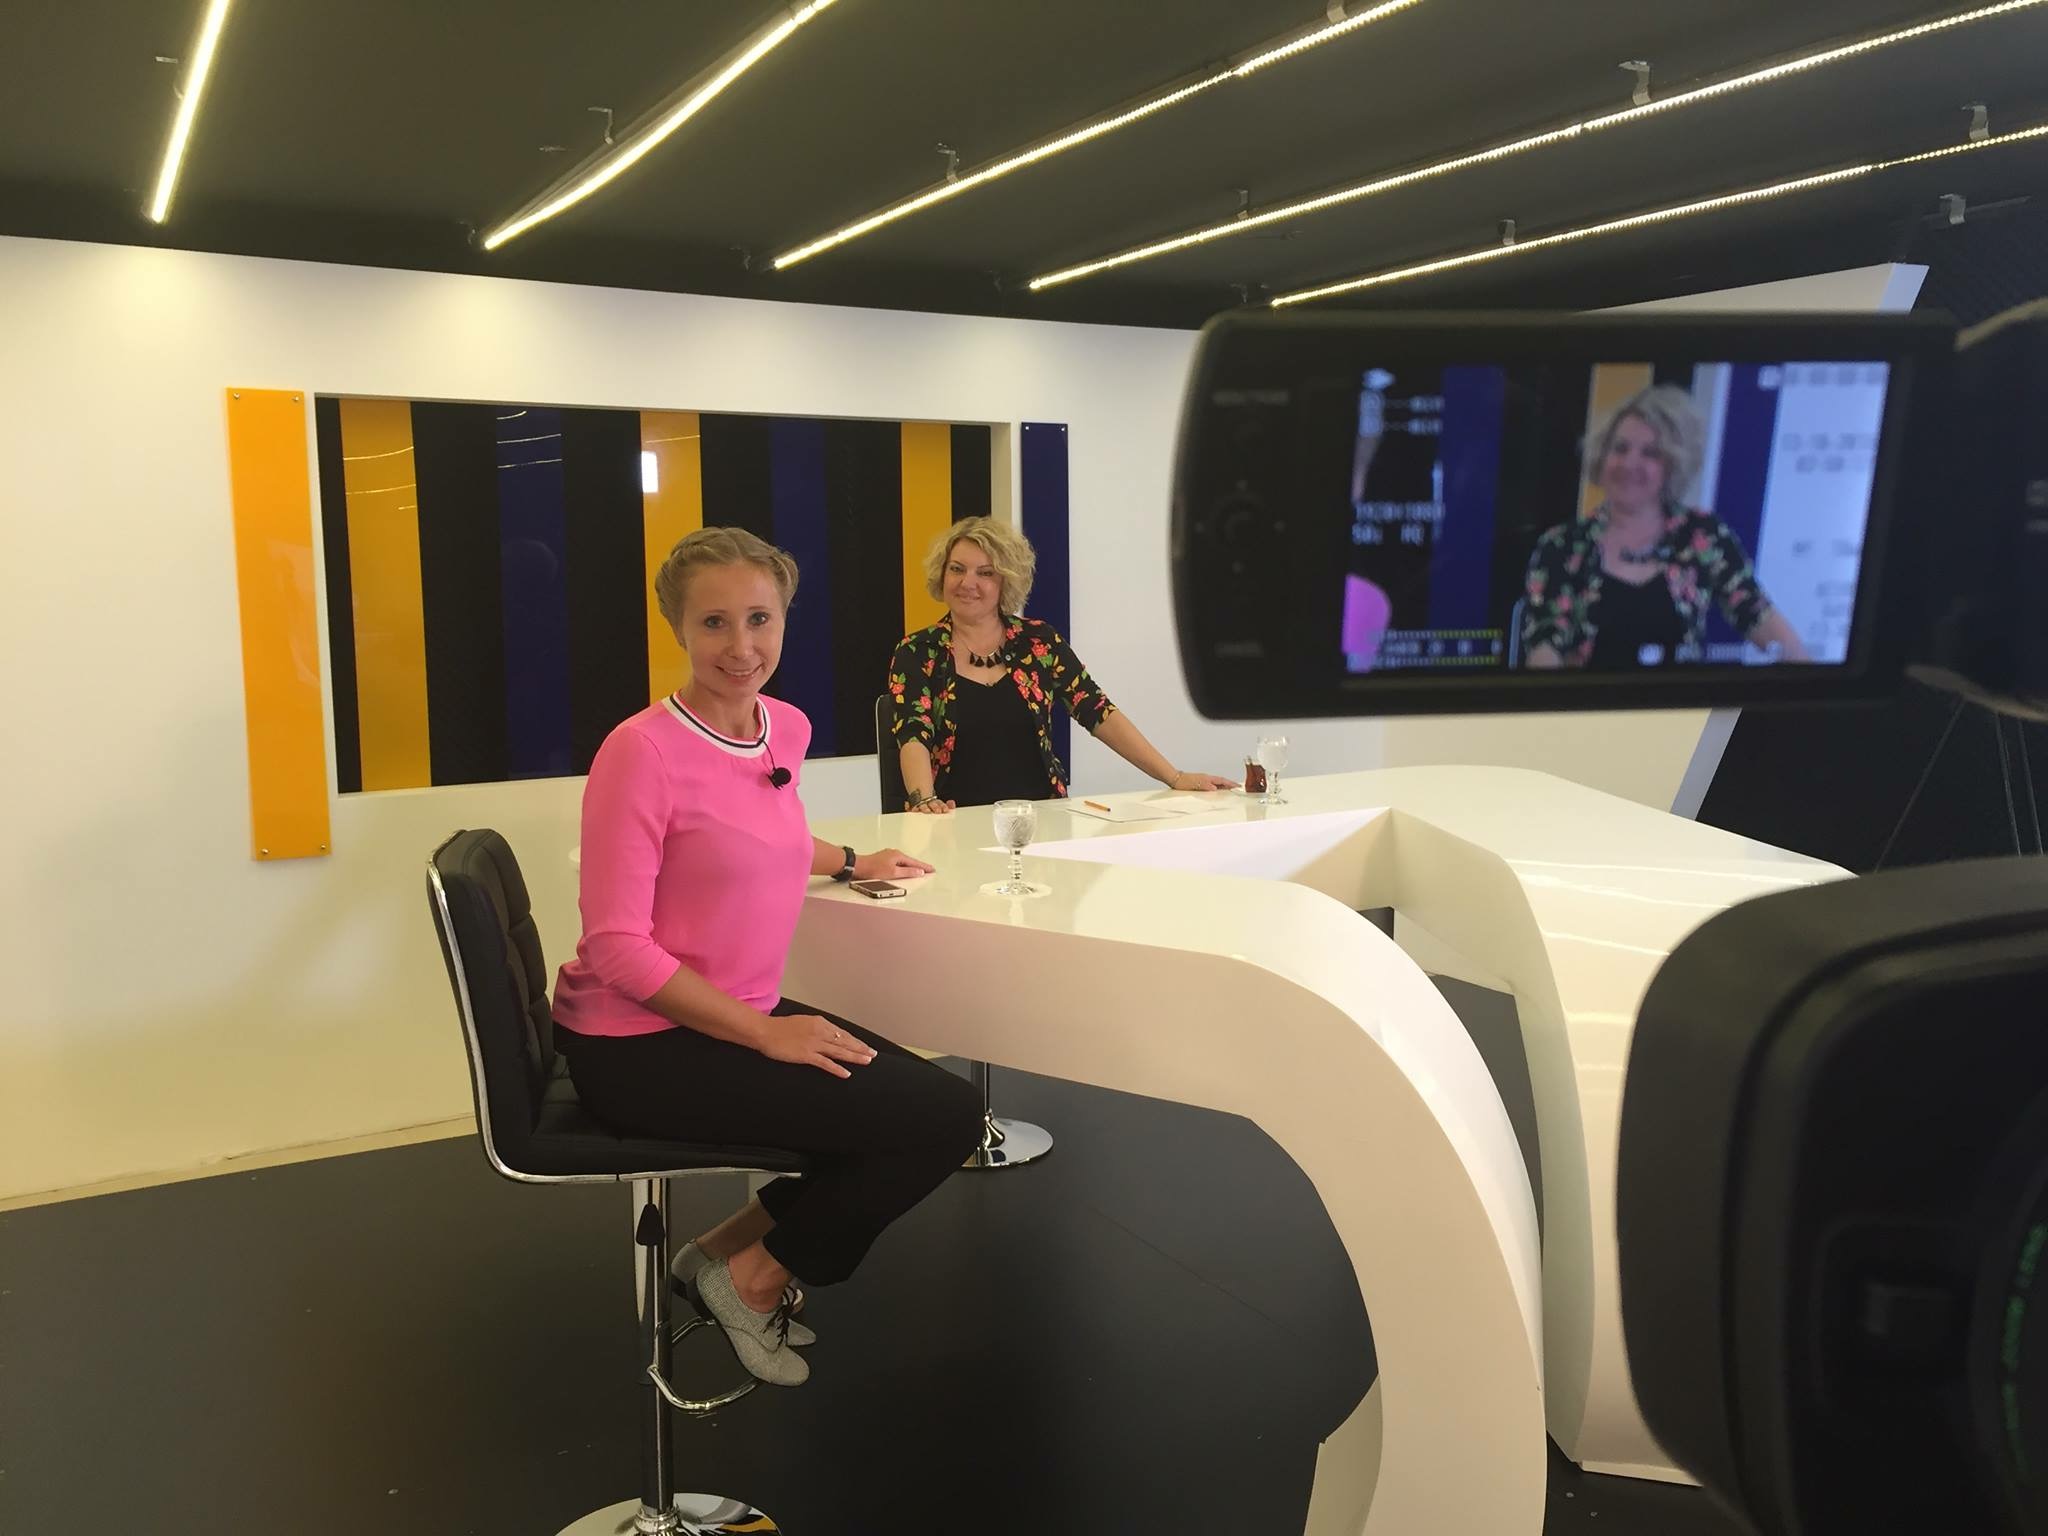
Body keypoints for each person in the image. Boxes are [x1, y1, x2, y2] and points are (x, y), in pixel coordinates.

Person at [553, 527, 984, 1388]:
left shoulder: (781, 727)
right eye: (714, 622)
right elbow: (616, 948)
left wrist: (851, 861)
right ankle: (750, 1282)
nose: (741, 647)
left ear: (785, 619)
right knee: (934, 1121)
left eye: (760, 619)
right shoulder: (640, 752)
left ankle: (718, 1252)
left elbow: (760, 830)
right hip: (637, 1045)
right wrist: (765, 1034)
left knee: (928, 1105)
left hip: (732, 1014)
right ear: (678, 627)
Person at [887, 516, 1238, 810]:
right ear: (942, 574)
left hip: (1042, 819)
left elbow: (1098, 711)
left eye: (985, 573)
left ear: (1006, 580)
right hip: (954, 821)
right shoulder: (917, 651)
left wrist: (1174, 777)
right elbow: (913, 734)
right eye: (957, 569)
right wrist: (924, 799)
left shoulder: (1039, 642)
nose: (968, 583)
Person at [1520, 383, 1810, 670]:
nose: (1630, 464)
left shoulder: (1703, 536)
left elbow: (1760, 617)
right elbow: (1544, 645)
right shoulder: (1561, 545)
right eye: (1620, 448)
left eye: (1650, 453)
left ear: (1672, 465)